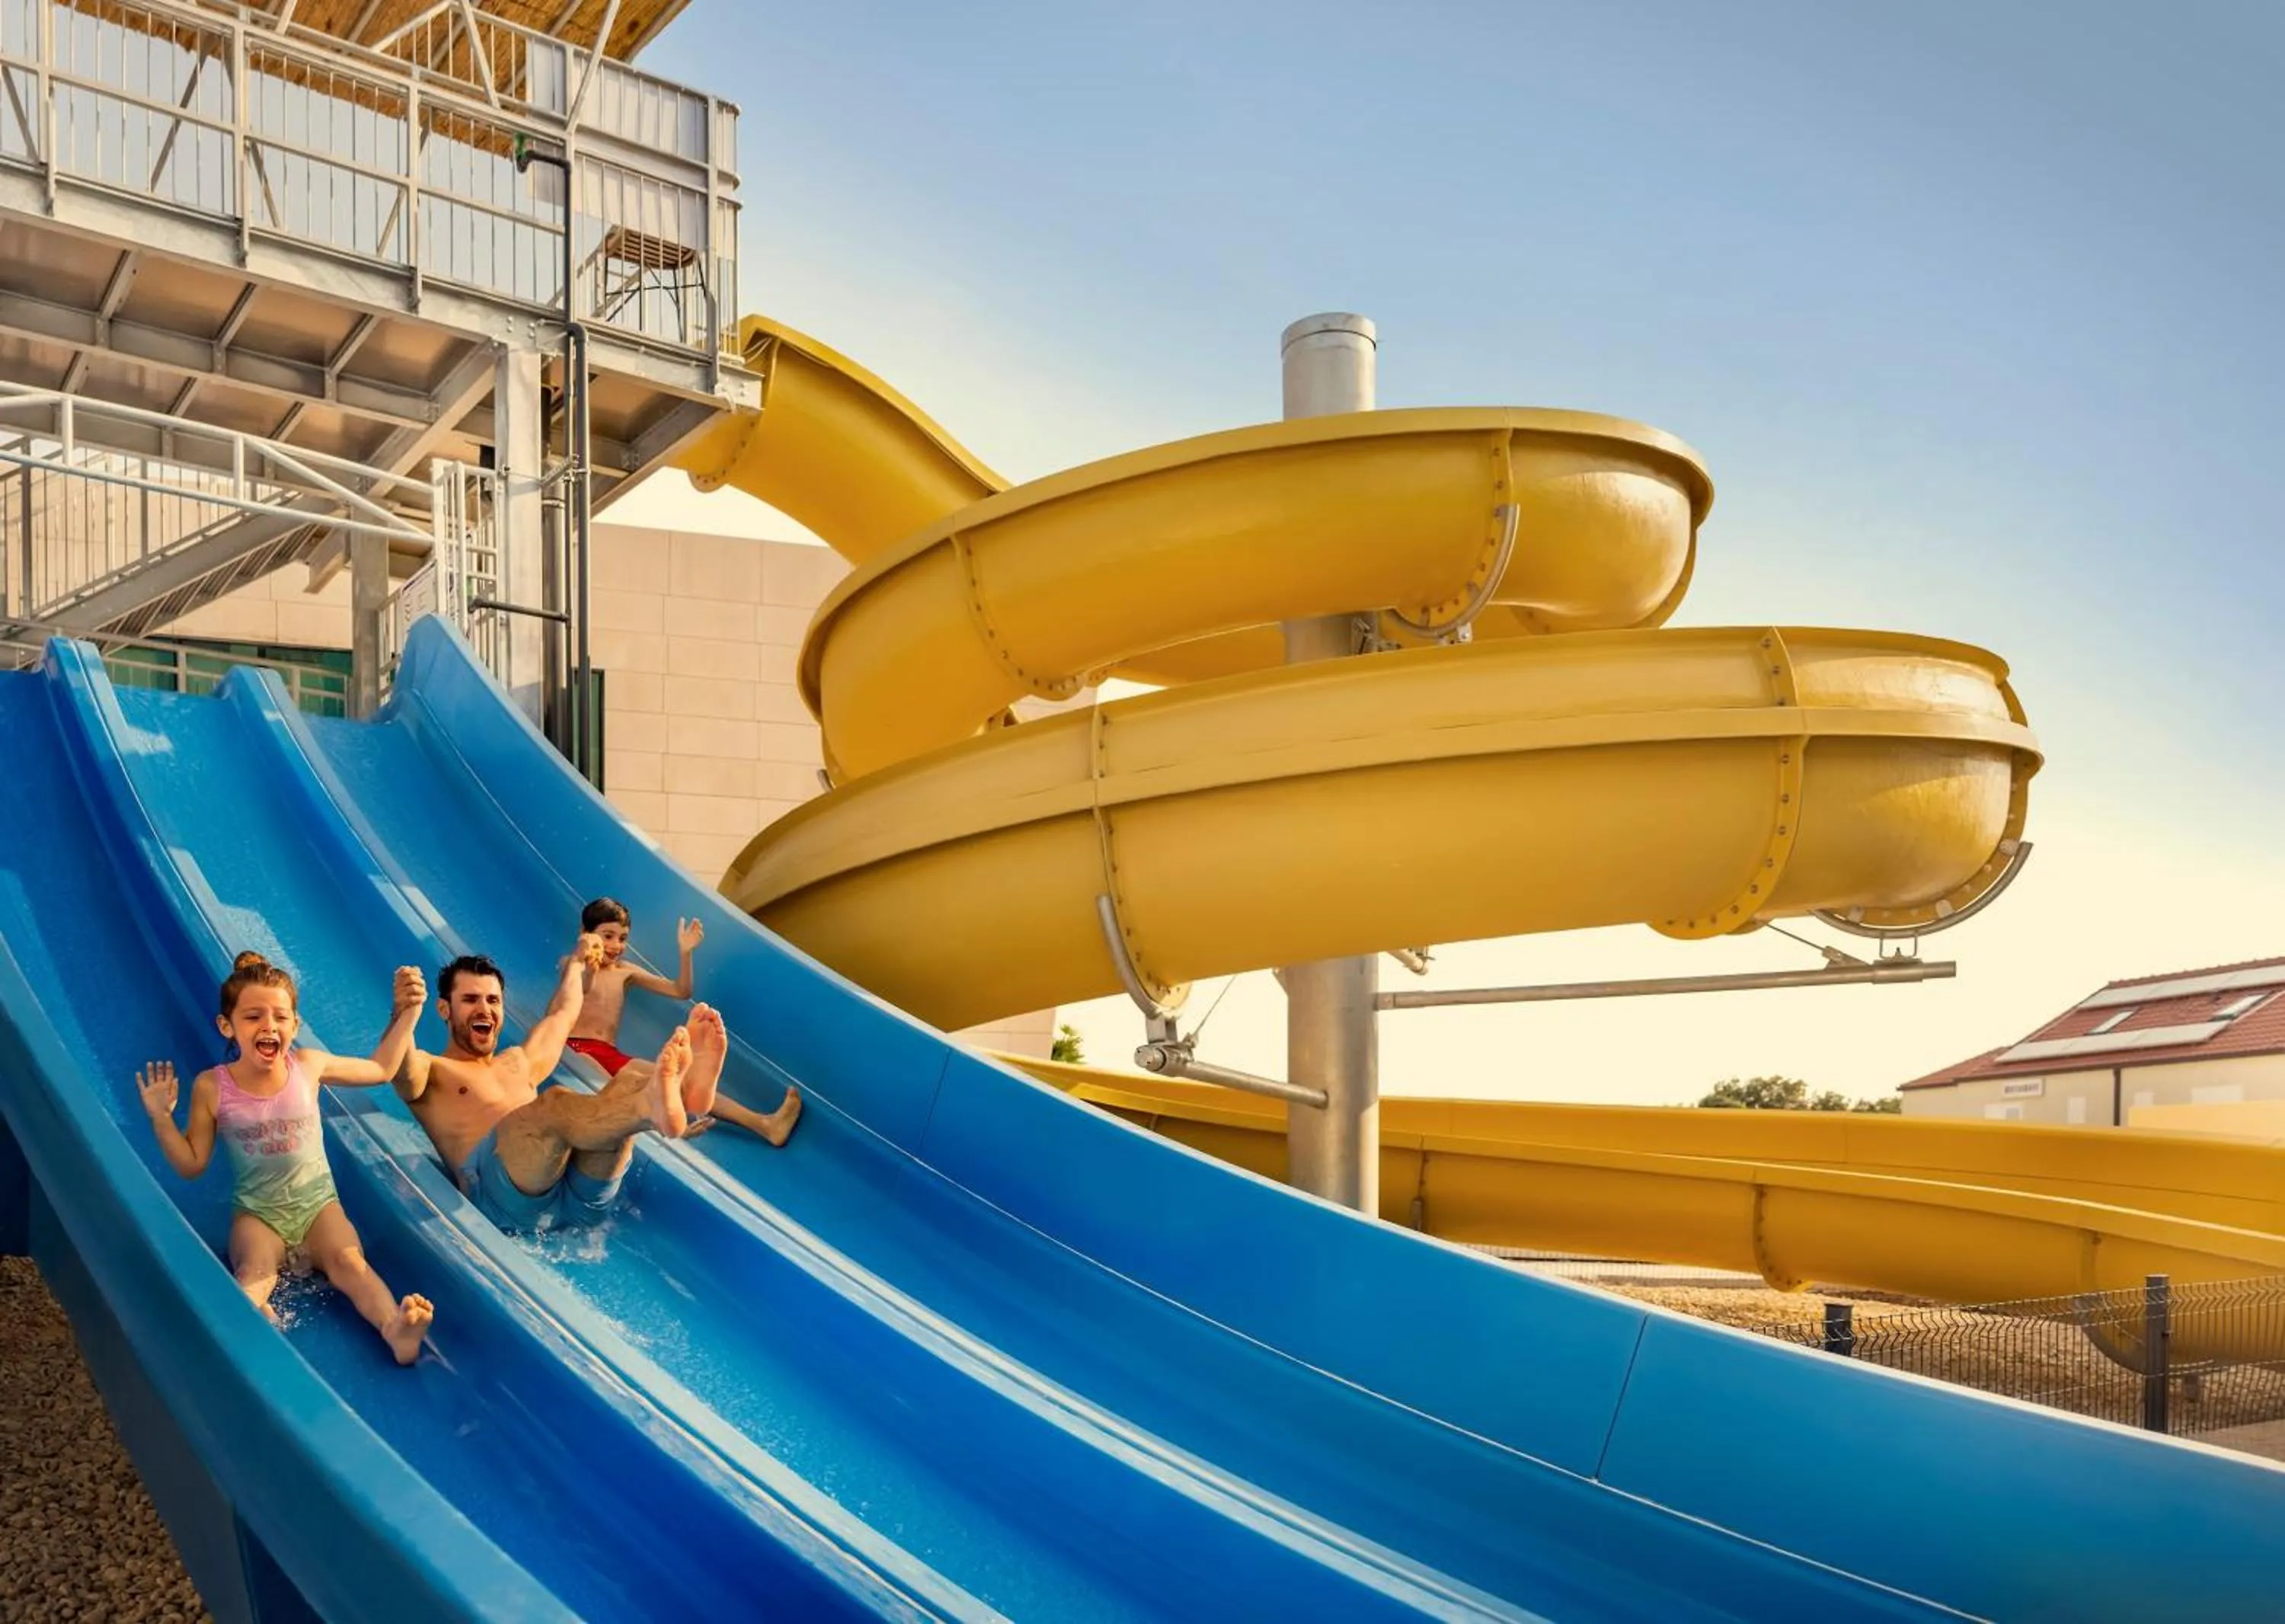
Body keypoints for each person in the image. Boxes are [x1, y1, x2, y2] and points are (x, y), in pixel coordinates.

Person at [138, 952, 434, 1366]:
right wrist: (161, 1119)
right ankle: (240, 1323)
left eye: (280, 1016)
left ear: (295, 1025)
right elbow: (191, 1165)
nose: (269, 1026)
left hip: (318, 1206)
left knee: (350, 1263)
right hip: (258, 1214)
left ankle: (394, 1329)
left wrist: (410, 1012)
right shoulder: (212, 1087)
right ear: (228, 1026)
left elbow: (382, 1069)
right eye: (253, 1016)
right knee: (258, 1271)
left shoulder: (309, 1065)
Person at [391, 934, 722, 1233]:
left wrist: (577, 965)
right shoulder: (431, 1070)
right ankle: (654, 1106)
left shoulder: (519, 1061)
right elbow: (397, 1068)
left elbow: (563, 1013)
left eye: (493, 1000)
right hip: (503, 1202)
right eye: (471, 1000)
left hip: (579, 1200)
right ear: (444, 1009)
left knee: (630, 1078)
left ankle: (683, 1094)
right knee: (553, 1103)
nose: (485, 1009)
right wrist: (403, 1015)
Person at [565, 898, 802, 1148]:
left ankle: (766, 1126)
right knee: (624, 1092)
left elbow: (681, 991)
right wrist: (587, 961)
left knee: (683, 1082)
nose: (616, 945)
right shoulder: (574, 964)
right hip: (575, 1050)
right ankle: (668, 1126)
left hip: (609, 1054)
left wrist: (685, 953)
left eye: (623, 938)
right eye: (608, 936)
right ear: (585, 933)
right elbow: (580, 987)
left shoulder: (625, 971)